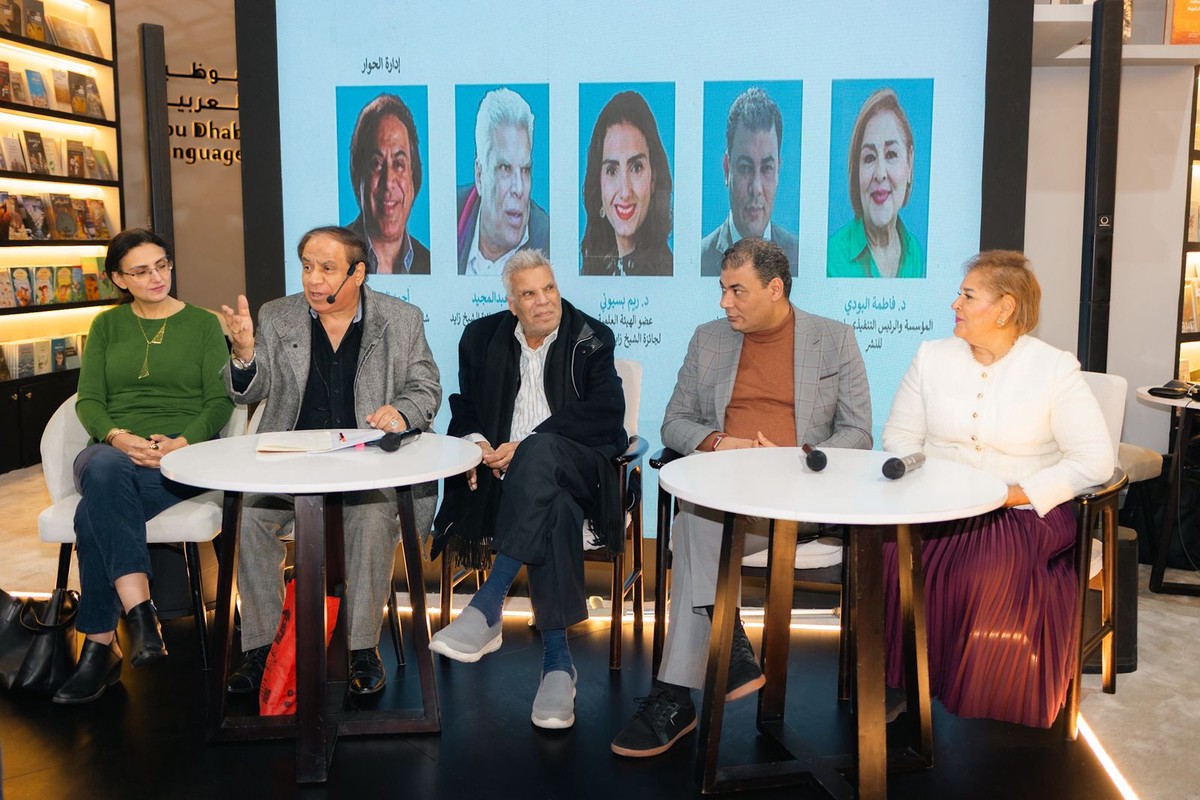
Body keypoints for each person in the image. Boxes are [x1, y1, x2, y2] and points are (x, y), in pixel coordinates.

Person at [611, 237, 872, 757]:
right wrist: (719, 443)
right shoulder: (708, 339)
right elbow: (674, 422)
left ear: (775, 289)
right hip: (726, 500)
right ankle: (726, 647)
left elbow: (859, 433)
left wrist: (796, 458)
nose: (724, 302)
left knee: (693, 523)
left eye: (737, 290)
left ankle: (678, 695)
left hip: (800, 503)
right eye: (722, 289)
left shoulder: (834, 339)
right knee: (698, 516)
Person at [880, 250, 1113, 728]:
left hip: (1023, 511)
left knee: (984, 568)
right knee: (888, 555)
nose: (955, 305)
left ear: (1005, 308)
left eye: (968, 296)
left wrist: (1012, 494)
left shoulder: (1054, 369)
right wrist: (929, 484)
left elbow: (1094, 460)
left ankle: (985, 690)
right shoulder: (930, 357)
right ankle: (901, 681)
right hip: (937, 504)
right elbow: (899, 437)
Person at [220, 225, 441, 696]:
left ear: (357, 273)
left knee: (372, 516)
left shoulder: (400, 319)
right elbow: (249, 392)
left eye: (327, 269)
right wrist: (243, 354)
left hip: (368, 468)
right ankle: (261, 648)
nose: (314, 280)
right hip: (291, 466)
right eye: (307, 267)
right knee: (250, 516)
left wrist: (401, 413)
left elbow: (425, 388)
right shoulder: (276, 316)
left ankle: (362, 647)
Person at [428, 248, 627, 729]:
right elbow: (465, 406)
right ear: (512, 304)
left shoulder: (591, 337)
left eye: (550, 288)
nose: (544, 301)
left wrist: (529, 445)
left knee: (540, 451)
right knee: (554, 510)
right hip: (514, 484)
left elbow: (607, 414)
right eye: (530, 294)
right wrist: (477, 444)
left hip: (581, 471)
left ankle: (489, 602)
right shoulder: (480, 338)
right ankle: (558, 666)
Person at [54, 229, 234, 703]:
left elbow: (218, 403)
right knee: (105, 469)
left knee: (92, 513)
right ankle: (141, 612)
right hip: (111, 451)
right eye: (141, 271)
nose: (156, 277)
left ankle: (99, 647)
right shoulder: (106, 326)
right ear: (118, 279)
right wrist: (116, 436)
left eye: (162, 265)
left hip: (180, 460)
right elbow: (89, 401)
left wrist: (182, 443)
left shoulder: (203, 324)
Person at [826, 88, 925, 279]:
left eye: (891, 154)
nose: (880, 174)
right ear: (856, 172)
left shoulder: (915, 253)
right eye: (869, 158)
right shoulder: (831, 258)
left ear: (909, 163)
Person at [700, 87, 799, 276]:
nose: (756, 188)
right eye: (745, 168)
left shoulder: (799, 258)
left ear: (778, 170)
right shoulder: (699, 260)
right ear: (727, 169)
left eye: (767, 168)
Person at [457, 88, 549, 275]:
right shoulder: (453, 215)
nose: (519, 189)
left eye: (525, 170)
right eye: (505, 168)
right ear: (479, 175)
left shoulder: (549, 241)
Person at [580, 90, 673, 276]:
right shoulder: (592, 272)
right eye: (611, 170)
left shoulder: (668, 274)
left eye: (636, 168)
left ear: (653, 179)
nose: (625, 191)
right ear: (598, 183)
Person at [346, 93, 430, 275]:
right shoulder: (335, 257)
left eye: (399, 164)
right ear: (359, 177)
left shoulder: (430, 263)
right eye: (376, 164)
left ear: (414, 179)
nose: (388, 181)